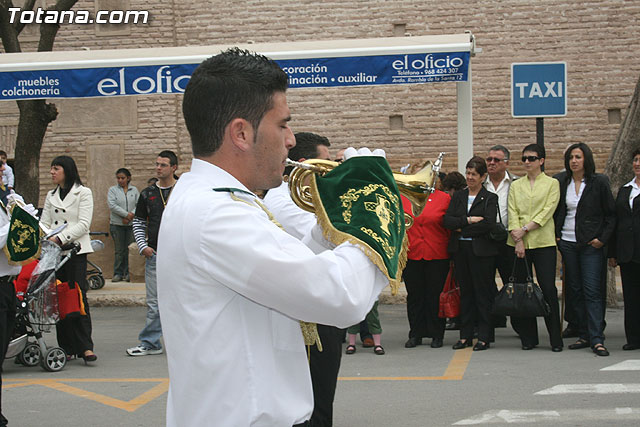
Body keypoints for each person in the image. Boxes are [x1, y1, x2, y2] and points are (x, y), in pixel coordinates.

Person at [156, 48, 392, 426]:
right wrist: (374, 208)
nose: (290, 139)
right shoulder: (217, 213)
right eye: (282, 124)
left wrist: (336, 222)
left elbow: (294, 264)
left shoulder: (218, 200)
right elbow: (339, 297)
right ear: (242, 133)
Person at [263, 131, 343, 427]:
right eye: (327, 163)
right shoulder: (284, 201)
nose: (333, 169)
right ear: (304, 165)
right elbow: (330, 241)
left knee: (323, 393)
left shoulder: (314, 198)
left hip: (322, 307)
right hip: (306, 317)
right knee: (313, 401)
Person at [554, 143, 615, 357]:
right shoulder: (562, 182)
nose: (574, 161)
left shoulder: (598, 182)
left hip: (591, 244)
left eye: (578, 157)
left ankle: (597, 338)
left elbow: (611, 215)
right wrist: (558, 236)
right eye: (571, 157)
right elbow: (558, 210)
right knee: (575, 289)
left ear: (586, 159)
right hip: (568, 243)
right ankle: (584, 333)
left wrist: (602, 239)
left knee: (592, 291)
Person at [40, 155, 97, 363]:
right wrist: (47, 238)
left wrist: (60, 237)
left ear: (67, 170)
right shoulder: (50, 195)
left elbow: (83, 224)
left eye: (56, 169)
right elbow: (45, 222)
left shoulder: (83, 193)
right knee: (59, 297)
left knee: (78, 295)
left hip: (75, 251)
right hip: (55, 253)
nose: (52, 172)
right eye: (51, 169)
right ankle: (66, 345)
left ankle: (85, 346)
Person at [507, 144, 563, 352]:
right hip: (520, 243)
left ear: (541, 161)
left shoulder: (552, 183)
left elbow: (548, 210)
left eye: (531, 158)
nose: (527, 162)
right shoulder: (516, 185)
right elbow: (512, 210)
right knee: (524, 290)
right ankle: (528, 337)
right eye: (524, 159)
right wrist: (518, 238)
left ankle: (555, 337)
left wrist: (525, 229)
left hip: (543, 242)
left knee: (547, 288)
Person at [443, 156, 498, 351]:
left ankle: (484, 336)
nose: (470, 177)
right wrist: (468, 221)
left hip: (481, 252)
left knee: (482, 294)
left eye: (474, 174)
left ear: (483, 177)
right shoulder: (459, 196)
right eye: (468, 173)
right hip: (461, 250)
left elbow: (488, 224)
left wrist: (462, 227)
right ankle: (465, 336)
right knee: (465, 293)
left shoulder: (490, 198)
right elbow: (448, 221)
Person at [126, 151, 177, 357]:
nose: (158, 168)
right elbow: (138, 222)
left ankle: (185, 342)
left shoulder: (185, 190)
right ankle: (151, 342)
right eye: (157, 164)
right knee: (155, 303)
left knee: (184, 300)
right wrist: (142, 246)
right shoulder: (147, 193)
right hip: (155, 254)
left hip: (180, 256)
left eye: (163, 165)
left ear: (174, 167)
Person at [0, 161, 38, 426]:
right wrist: (15, 224)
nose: (2, 170)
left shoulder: (4, 198)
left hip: (6, 284)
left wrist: (26, 218)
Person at [402, 174, 452, 349]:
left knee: (435, 296)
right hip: (412, 253)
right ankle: (415, 333)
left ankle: (437, 334)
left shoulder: (444, 198)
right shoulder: (405, 196)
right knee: (415, 296)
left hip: (437, 253)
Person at [483, 145, 518, 329]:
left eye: (496, 160)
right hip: (485, 240)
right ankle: (491, 324)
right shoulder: (480, 185)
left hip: (509, 240)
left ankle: (520, 325)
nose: (492, 163)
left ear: (506, 163)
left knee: (512, 284)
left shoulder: (516, 183)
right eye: (489, 159)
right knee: (486, 284)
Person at [609, 148, 640, 351]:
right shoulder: (625, 189)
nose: (637, 164)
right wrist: (613, 252)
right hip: (628, 252)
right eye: (636, 160)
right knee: (631, 297)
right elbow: (617, 221)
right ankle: (634, 338)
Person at [107, 168, 140, 282]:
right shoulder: (112, 190)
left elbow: (139, 204)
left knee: (129, 249)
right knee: (119, 250)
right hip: (117, 224)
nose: (120, 180)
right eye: (118, 178)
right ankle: (118, 273)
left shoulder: (134, 190)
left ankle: (128, 273)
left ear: (128, 178)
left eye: (123, 178)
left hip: (131, 225)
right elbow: (112, 205)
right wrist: (126, 215)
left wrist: (131, 215)